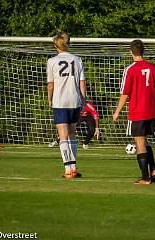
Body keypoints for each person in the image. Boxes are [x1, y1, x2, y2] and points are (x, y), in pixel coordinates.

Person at [113, 39, 155, 185]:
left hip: (138, 111)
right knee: (145, 141)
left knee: (140, 143)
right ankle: (153, 169)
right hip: (151, 111)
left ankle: (145, 177)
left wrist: (117, 111)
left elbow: (125, 93)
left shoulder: (130, 69)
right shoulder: (153, 68)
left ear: (131, 52)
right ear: (143, 51)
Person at [47, 31, 86, 179]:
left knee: (62, 135)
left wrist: (49, 99)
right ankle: (74, 167)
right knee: (71, 133)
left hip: (60, 101)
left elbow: (50, 85)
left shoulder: (52, 61)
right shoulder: (77, 60)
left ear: (55, 45)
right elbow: (82, 84)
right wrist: (83, 101)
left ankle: (68, 170)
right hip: (74, 100)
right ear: (68, 44)